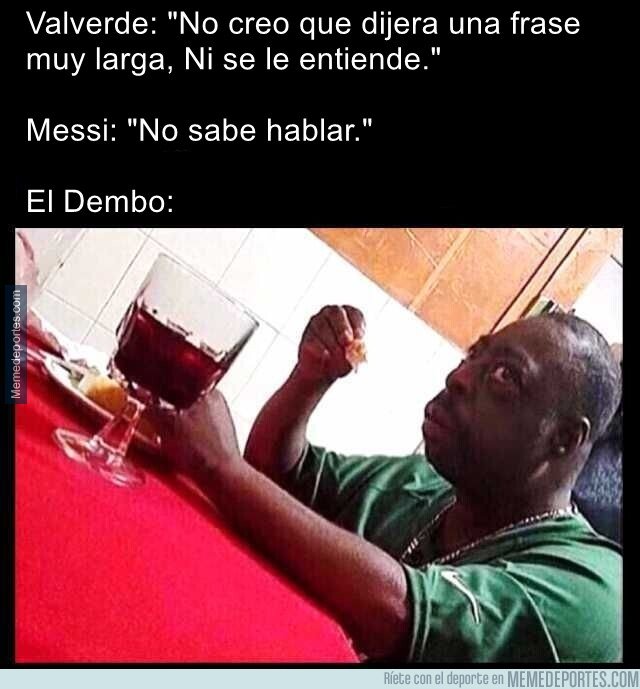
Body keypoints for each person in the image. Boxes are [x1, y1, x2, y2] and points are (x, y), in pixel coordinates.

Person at [157, 306, 622, 662]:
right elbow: (279, 474)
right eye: (474, 354)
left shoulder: (593, 592)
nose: (458, 377)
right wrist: (310, 379)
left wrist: (222, 468)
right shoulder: (425, 485)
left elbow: (399, 615)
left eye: (505, 376)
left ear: (564, 438)